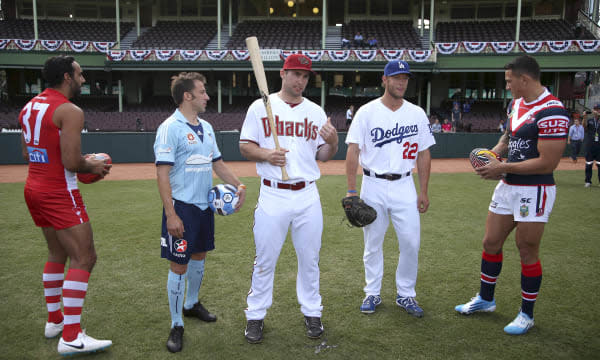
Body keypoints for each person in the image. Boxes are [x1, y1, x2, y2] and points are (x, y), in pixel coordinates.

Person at [455, 55, 569, 335]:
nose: (507, 86)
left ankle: (526, 314)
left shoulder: (553, 111)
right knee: (490, 241)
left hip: (535, 189)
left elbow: (548, 162)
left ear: (524, 79)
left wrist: (501, 167)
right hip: (508, 185)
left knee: (526, 248)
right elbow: (508, 138)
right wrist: (493, 155)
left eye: (509, 81)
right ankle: (486, 299)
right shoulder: (516, 104)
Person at [239, 54, 338, 344]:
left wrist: (333, 141)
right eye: (295, 74)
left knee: (310, 260)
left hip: (307, 194)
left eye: (305, 76)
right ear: (283, 74)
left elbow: (323, 156)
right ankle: (255, 316)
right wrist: (267, 154)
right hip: (273, 193)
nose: (301, 80)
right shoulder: (261, 106)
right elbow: (245, 146)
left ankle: (312, 312)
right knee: (265, 260)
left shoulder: (316, 112)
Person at [18, 55, 112, 356]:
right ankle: (71, 336)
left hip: (34, 187)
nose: (83, 80)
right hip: (59, 191)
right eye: (80, 74)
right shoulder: (70, 111)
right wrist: (93, 165)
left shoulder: (29, 106)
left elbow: (26, 153)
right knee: (85, 257)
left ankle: (55, 320)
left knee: (57, 251)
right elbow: (72, 162)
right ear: (67, 77)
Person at [154, 72, 247, 353]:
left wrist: (238, 184)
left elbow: (217, 163)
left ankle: (191, 304)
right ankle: (176, 323)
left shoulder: (206, 126)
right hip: (182, 208)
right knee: (179, 263)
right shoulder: (170, 128)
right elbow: (162, 174)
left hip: (205, 208)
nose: (207, 96)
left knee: (199, 255)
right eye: (203, 91)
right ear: (187, 96)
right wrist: (171, 214)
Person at [345, 60, 435, 318]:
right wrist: (352, 190)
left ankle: (405, 294)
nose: (401, 82)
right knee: (373, 243)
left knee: (411, 242)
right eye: (396, 77)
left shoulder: (416, 113)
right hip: (372, 184)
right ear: (384, 80)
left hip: (405, 184)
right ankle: (372, 292)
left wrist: (423, 190)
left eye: (405, 78)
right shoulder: (366, 112)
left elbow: (424, 153)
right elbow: (353, 150)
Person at [583, 104, 600, 187]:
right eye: (595, 109)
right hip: (590, 145)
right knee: (588, 164)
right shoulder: (590, 120)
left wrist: (598, 114)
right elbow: (584, 127)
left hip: (599, 146)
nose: (596, 111)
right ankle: (588, 181)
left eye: (598, 109)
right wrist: (585, 117)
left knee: (599, 164)